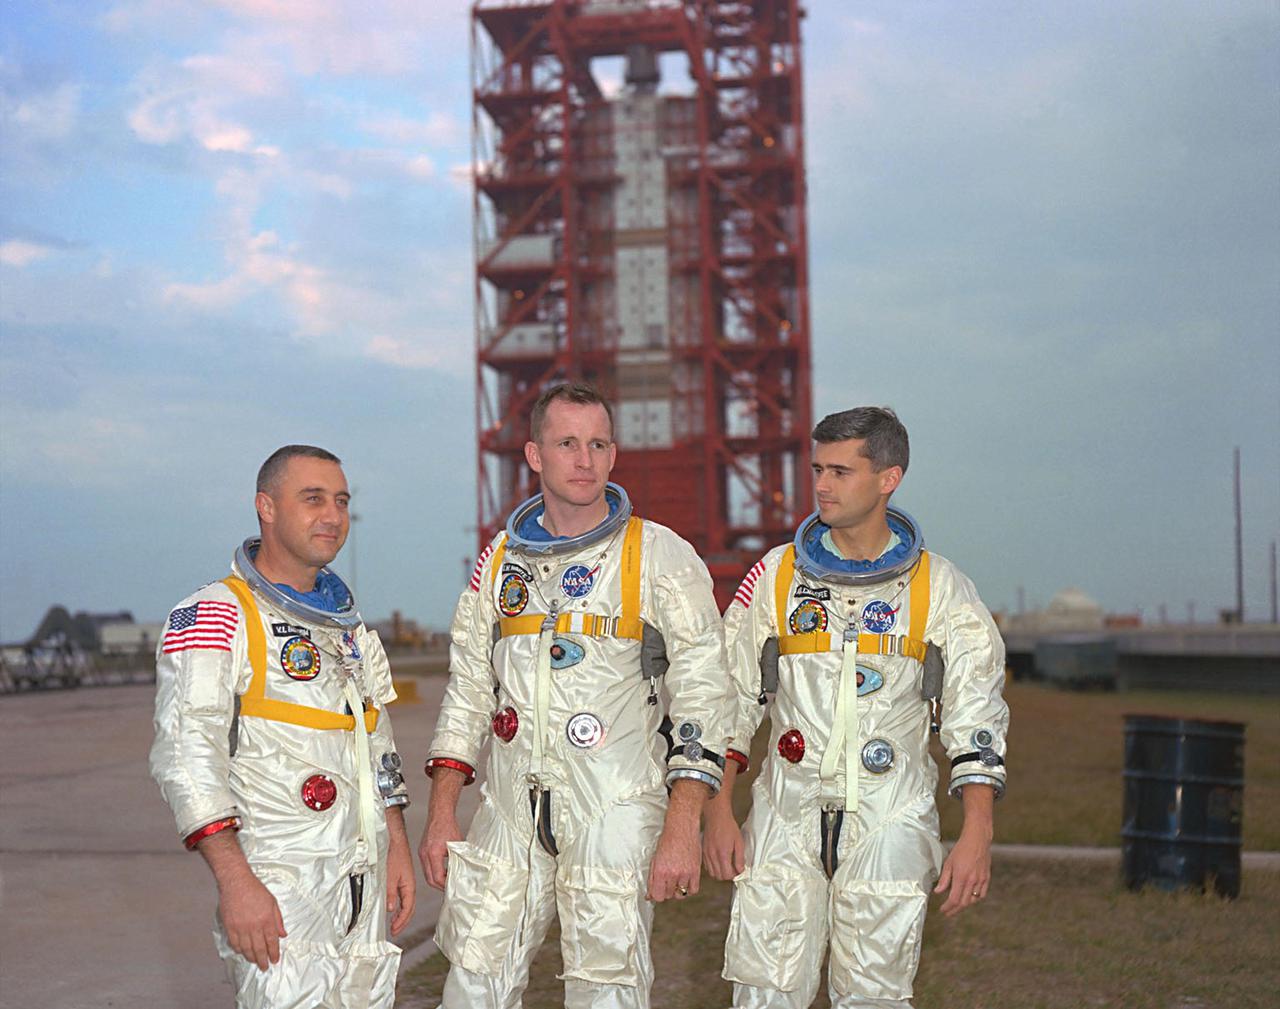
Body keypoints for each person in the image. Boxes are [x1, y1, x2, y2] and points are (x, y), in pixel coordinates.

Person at [419, 382, 729, 1008]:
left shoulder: (659, 554)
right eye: (567, 443)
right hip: (510, 807)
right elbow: (470, 688)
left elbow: (705, 693)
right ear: (535, 455)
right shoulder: (501, 559)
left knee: (606, 987)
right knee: (474, 979)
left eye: (598, 444)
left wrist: (683, 823)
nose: (584, 459)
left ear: (614, 455)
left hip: (611, 804)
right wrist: (442, 811)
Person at [704, 407, 1009, 1009]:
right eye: (818, 468)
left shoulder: (939, 588)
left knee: (875, 994)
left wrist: (978, 832)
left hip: (890, 815)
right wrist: (718, 808)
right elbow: (730, 698)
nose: (821, 485)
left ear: (889, 478)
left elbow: (977, 719)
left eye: (842, 471)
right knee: (763, 988)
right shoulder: (775, 576)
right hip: (785, 815)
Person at [150, 445, 415, 1009]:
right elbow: (185, 756)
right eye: (313, 498)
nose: (333, 516)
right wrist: (236, 884)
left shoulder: (345, 628)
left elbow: (377, 740)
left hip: (360, 884)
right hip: (278, 888)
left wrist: (396, 844)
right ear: (266, 507)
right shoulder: (215, 614)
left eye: (341, 501)